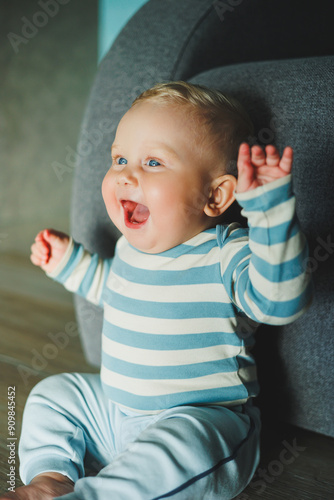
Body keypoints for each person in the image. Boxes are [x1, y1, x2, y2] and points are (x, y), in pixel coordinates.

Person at [4, 82, 312, 500]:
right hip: (114, 413)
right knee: (55, 395)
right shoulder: (128, 249)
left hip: (200, 419)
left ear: (215, 195)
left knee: (186, 449)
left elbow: (279, 300)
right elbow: (109, 288)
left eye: (152, 162)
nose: (127, 174)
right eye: (120, 158)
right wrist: (67, 262)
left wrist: (271, 216)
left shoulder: (227, 252)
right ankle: (52, 478)